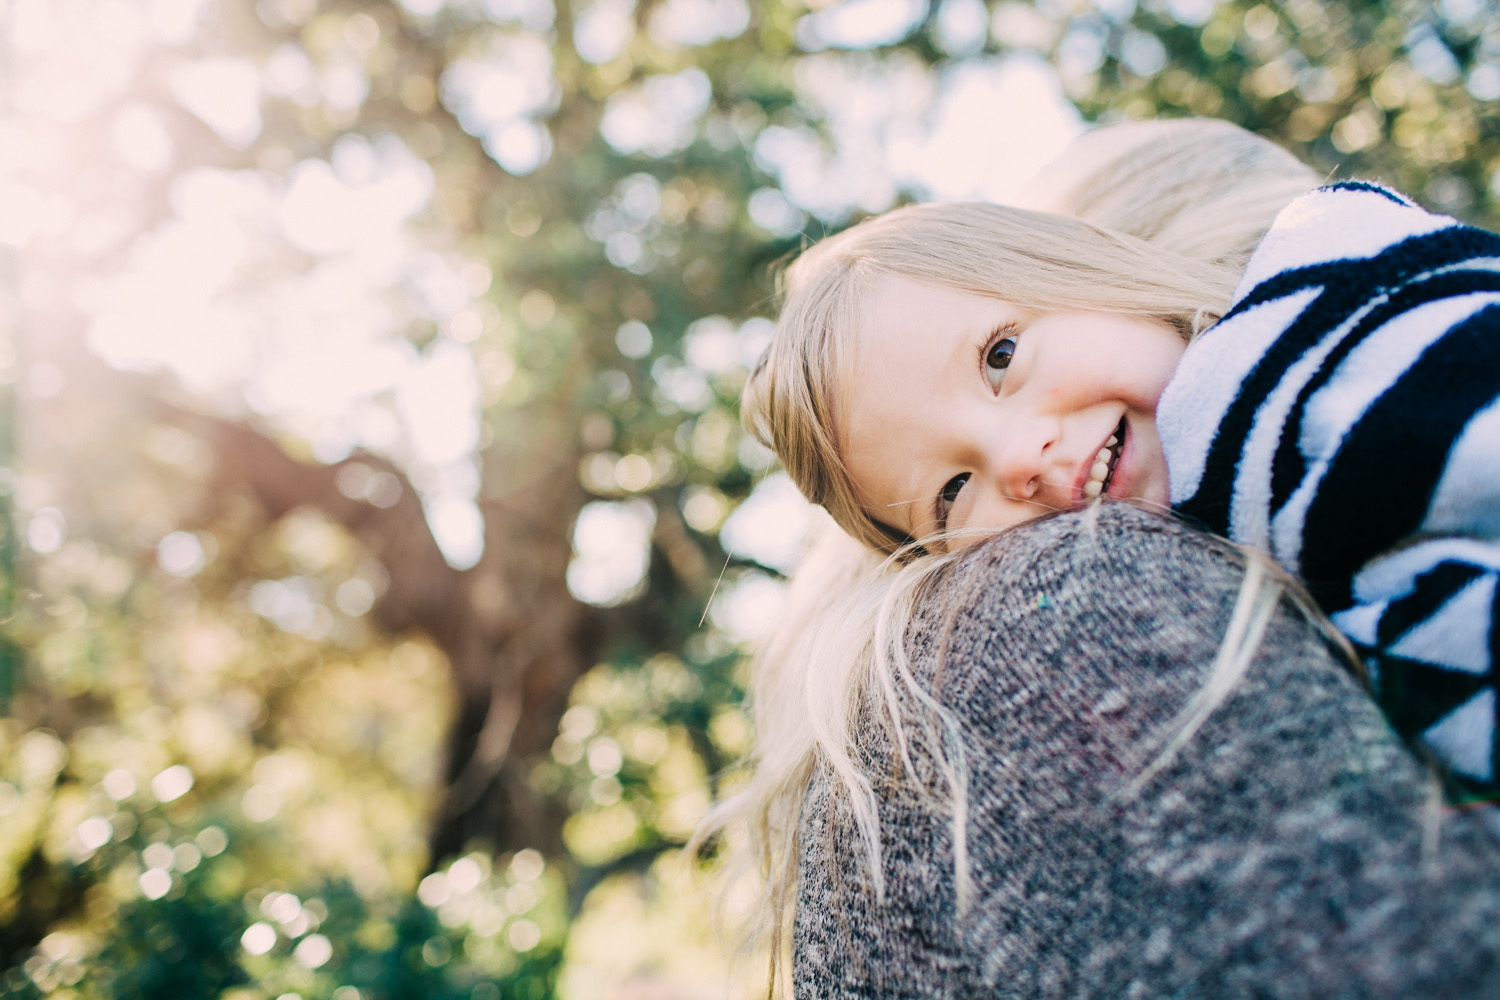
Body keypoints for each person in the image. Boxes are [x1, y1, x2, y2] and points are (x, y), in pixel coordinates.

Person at [698, 119, 1500, 995]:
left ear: (1088, 266)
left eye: (1001, 357)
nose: (1016, 459)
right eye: (952, 493)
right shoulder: (1120, 565)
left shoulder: (1304, 345)